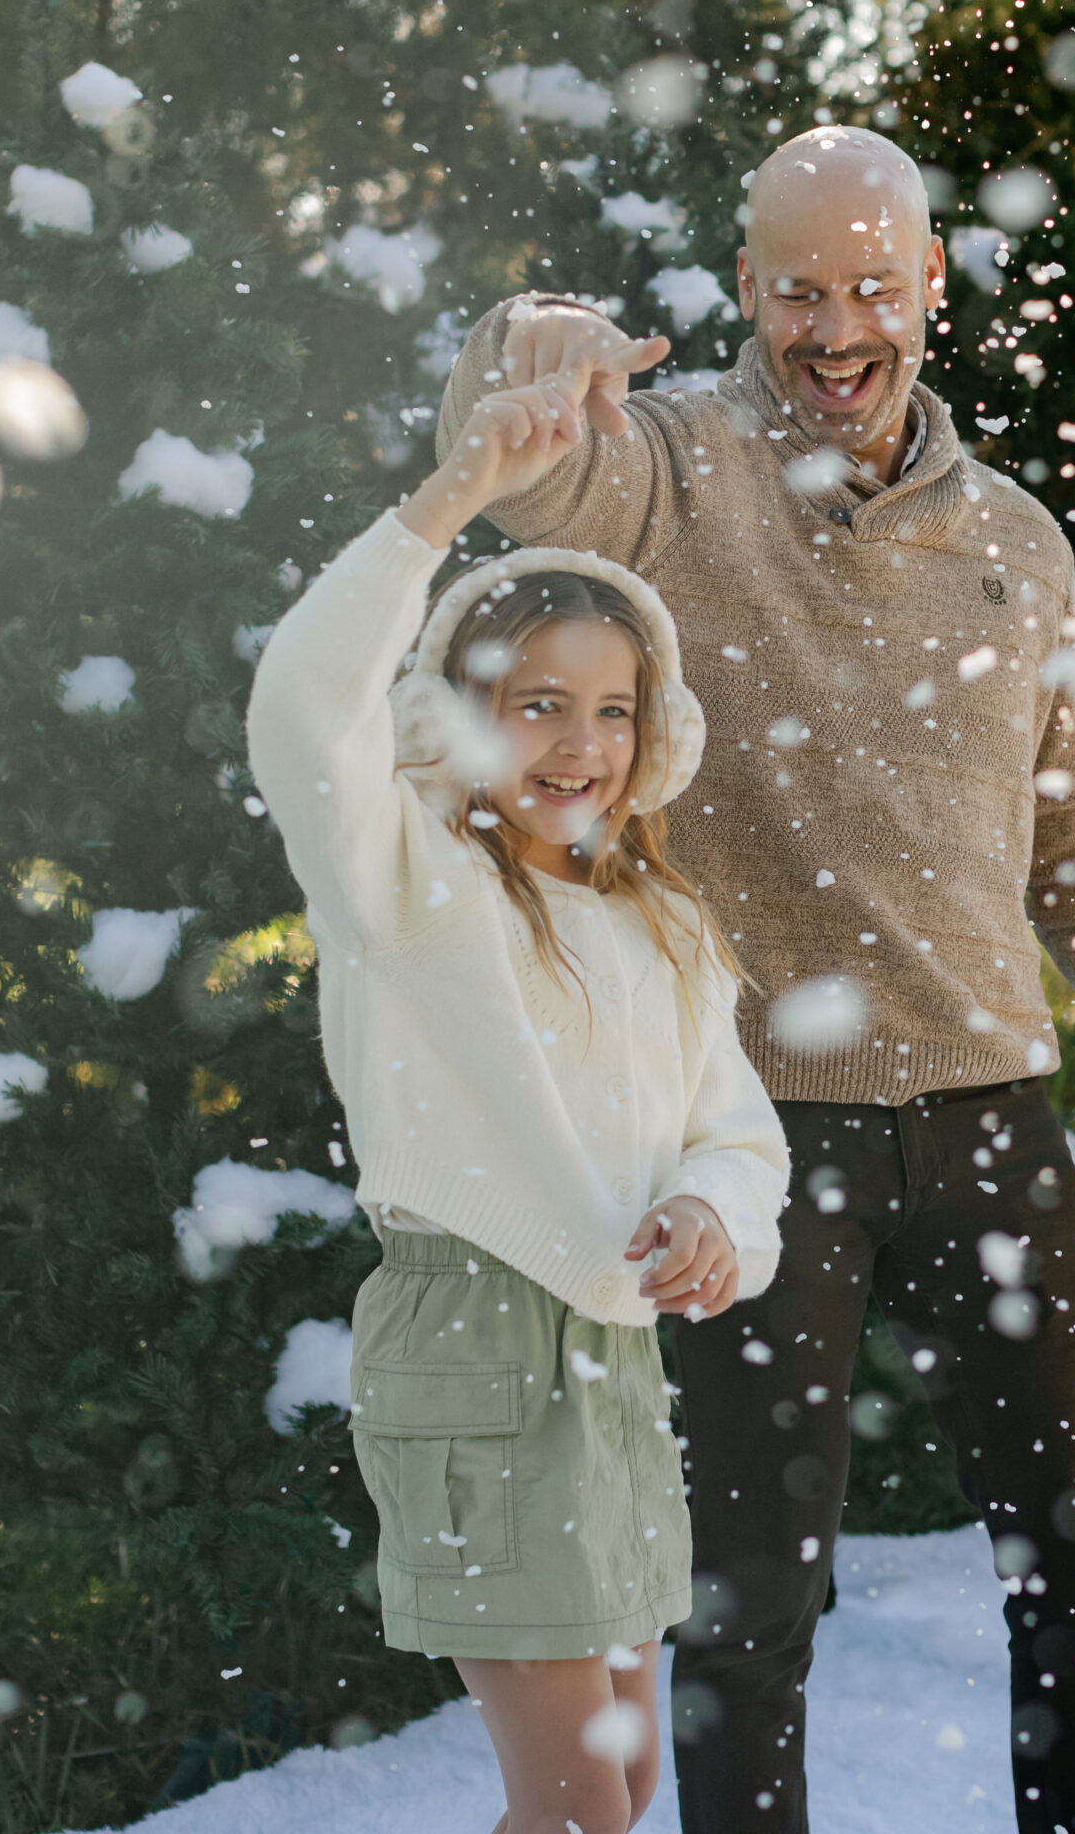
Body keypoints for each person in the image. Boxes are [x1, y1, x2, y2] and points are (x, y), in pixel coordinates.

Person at [434, 125, 1075, 1834]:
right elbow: (512, 465)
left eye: (873, 285)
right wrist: (530, 345)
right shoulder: (663, 471)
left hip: (993, 1121)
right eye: (798, 288)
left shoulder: (1014, 540)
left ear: (934, 289)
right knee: (750, 1616)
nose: (834, 325)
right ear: (746, 289)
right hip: (750, 1142)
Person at [246, 369, 790, 1834]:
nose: (581, 744)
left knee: (616, 1790)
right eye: (537, 704)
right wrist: (446, 506)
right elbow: (304, 709)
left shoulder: (660, 921)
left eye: (612, 709)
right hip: (475, 1349)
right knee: (580, 1814)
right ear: (463, 712)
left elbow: (735, 1130)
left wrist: (710, 1211)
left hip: (614, 1363)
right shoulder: (409, 885)